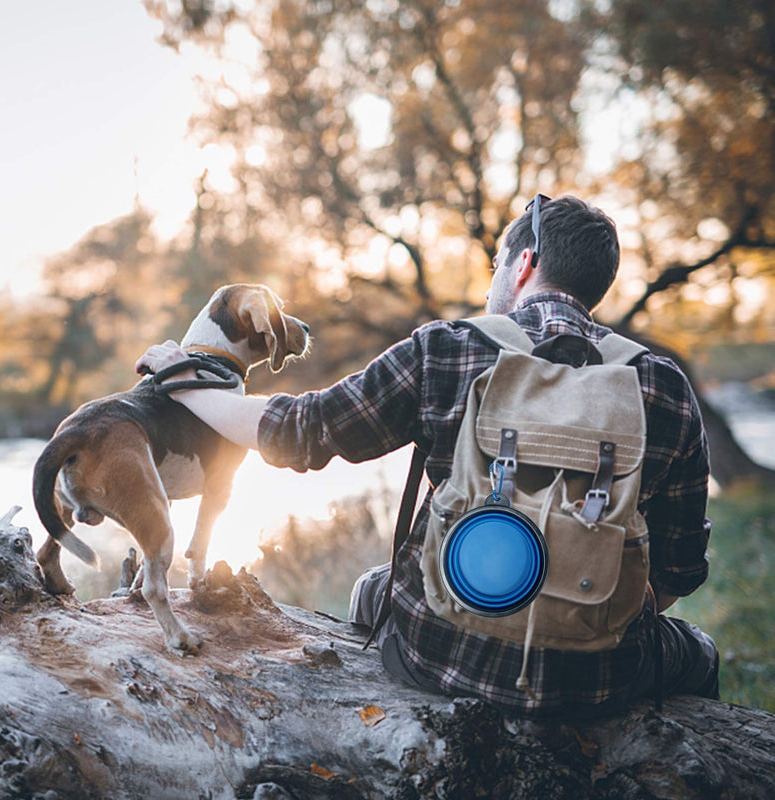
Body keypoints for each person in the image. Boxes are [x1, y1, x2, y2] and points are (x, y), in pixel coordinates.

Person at [136, 195, 719, 719]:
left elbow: (299, 432)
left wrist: (183, 379)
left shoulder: (447, 349)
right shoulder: (661, 385)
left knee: (373, 589)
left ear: (524, 265)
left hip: (437, 652)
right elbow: (680, 571)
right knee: (700, 651)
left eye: (497, 266)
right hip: (600, 679)